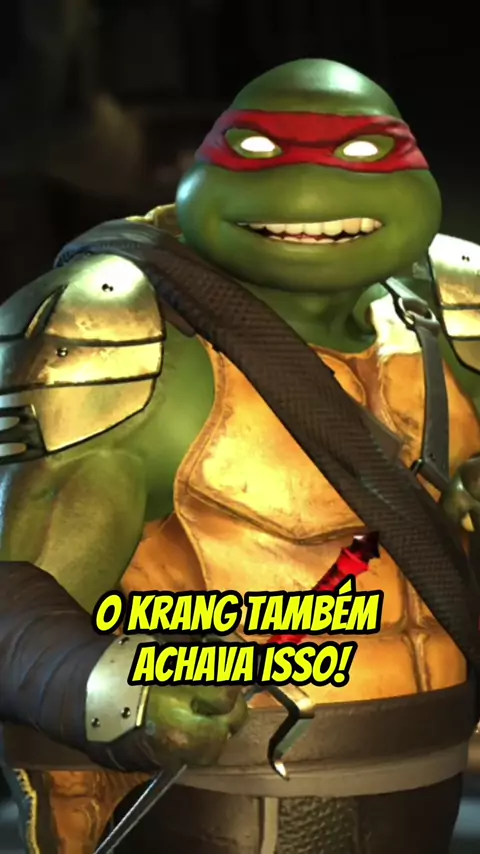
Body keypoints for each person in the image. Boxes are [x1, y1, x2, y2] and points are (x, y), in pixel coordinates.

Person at [0, 58, 479, 853]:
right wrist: (131, 695)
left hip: (430, 782)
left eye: (361, 153)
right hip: (207, 800)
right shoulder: (119, 337)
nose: (311, 194)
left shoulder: (461, 314)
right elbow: (15, 595)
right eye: (261, 151)